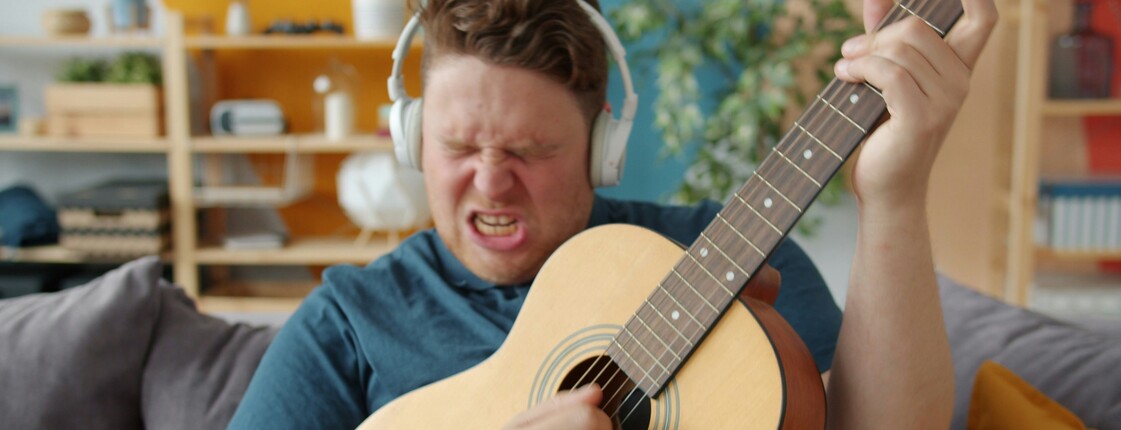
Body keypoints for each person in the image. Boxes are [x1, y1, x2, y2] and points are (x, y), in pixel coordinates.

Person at [230, 0, 997, 428]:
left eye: (530, 150)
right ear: (409, 138)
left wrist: (893, 196)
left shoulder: (725, 256)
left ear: (604, 144)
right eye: (458, 144)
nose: (491, 183)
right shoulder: (350, 319)